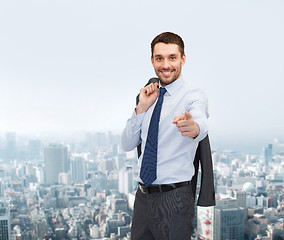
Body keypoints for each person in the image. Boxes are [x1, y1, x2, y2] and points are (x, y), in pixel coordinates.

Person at [121, 32, 209, 239]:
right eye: (159, 58)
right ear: (152, 61)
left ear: (183, 59)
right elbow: (127, 143)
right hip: (143, 196)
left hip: (175, 198)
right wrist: (141, 107)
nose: (166, 65)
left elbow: (200, 122)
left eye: (172, 57)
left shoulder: (193, 95)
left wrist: (193, 127)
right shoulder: (148, 97)